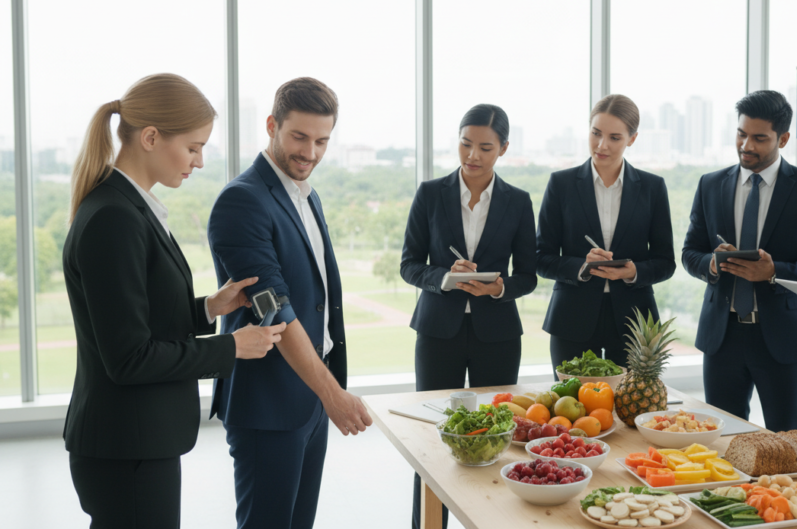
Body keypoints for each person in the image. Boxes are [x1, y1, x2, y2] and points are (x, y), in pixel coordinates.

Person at [62, 73, 284, 529]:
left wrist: (208, 308)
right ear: (150, 137)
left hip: (136, 444)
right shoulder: (114, 218)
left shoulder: (129, 207)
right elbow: (129, 358)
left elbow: (137, 319)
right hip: (127, 448)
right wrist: (232, 347)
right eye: (193, 147)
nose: (199, 162)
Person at [207, 77, 373, 529]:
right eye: (299, 136)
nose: (311, 153)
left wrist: (323, 393)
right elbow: (274, 309)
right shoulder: (242, 201)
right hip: (268, 403)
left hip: (308, 396)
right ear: (271, 126)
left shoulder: (305, 194)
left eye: (322, 141)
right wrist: (332, 393)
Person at [400, 104, 537, 529]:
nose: (472, 155)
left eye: (484, 147)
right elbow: (409, 264)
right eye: (465, 143)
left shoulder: (518, 201)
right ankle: (427, 522)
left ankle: (492, 520)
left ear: (503, 149)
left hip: (496, 333)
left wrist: (498, 288)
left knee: (499, 435)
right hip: (438, 331)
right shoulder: (430, 193)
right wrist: (444, 277)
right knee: (434, 434)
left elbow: (528, 276)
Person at [681, 90, 797, 432]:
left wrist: (774, 272)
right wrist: (712, 263)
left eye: (759, 138)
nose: (746, 145)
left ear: (783, 138)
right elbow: (689, 253)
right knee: (720, 441)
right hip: (721, 338)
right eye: (741, 134)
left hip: (782, 340)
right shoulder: (710, 184)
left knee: (789, 441)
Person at [537, 94, 675, 374]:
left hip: (634, 323)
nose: (602, 145)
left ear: (632, 139)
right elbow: (541, 257)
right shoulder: (560, 184)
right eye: (596, 133)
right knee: (570, 411)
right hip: (571, 318)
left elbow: (665, 262)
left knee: (629, 413)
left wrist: (632, 271)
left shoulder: (653, 187)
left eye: (614, 137)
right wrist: (582, 267)